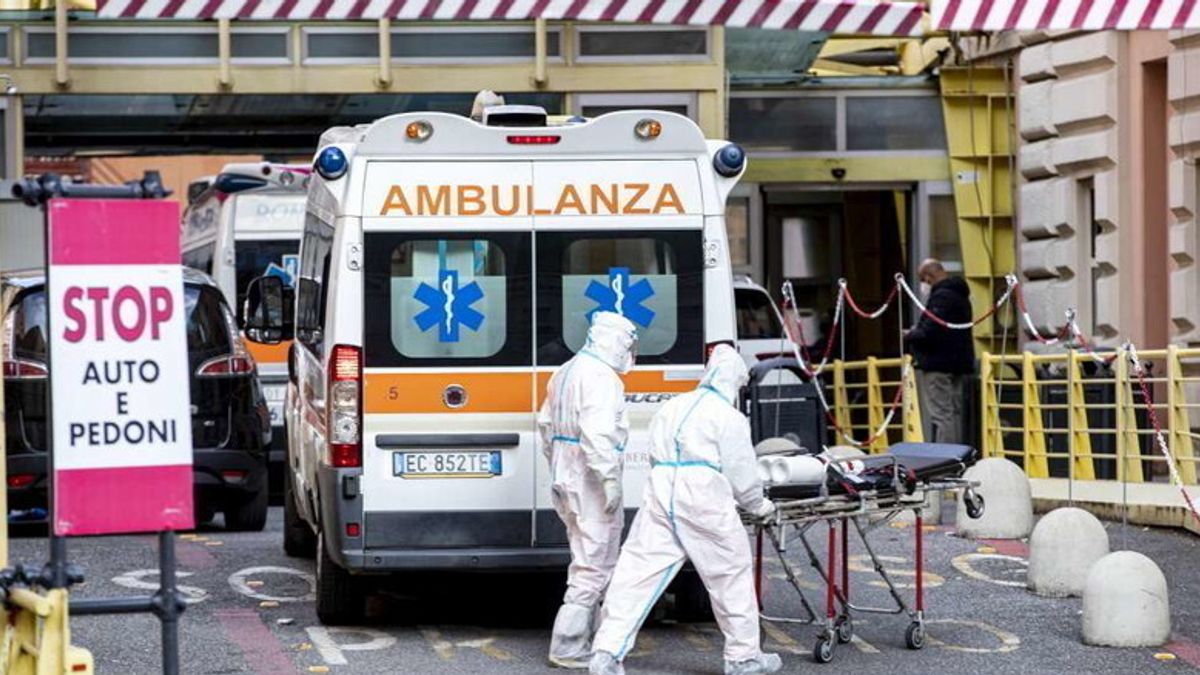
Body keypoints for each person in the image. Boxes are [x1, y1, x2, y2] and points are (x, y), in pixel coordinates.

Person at [589, 344, 781, 675]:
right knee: (729, 575)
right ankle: (743, 657)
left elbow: (652, 453)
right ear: (734, 381)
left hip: (662, 492)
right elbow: (742, 476)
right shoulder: (729, 417)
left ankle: (605, 653)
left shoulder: (672, 406)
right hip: (705, 496)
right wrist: (760, 506)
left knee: (636, 572)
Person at [539, 311, 639, 669]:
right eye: (627, 343)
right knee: (594, 564)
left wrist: (558, 464)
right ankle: (568, 646)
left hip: (566, 473)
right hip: (590, 477)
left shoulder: (565, 370)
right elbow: (598, 434)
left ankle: (592, 638)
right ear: (613, 341)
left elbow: (545, 425)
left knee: (584, 555)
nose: (629, 351)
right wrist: (609, 478)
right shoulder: (600, 377)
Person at [906, 258, 975, 444]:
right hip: (958, 363)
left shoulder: (941, 297)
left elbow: (930, 331)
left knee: (942, 415)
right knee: (954, 413)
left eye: (923, 279)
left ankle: (946, 459)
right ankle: (958, 455)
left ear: (929, 277)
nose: (923, 285)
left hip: (938, 364)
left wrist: (910, 335)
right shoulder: (961, 294)